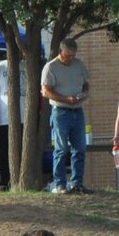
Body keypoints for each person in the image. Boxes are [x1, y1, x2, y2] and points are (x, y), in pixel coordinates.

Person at [41, 38, 91, 194]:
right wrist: (66, 99)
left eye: (73, 55)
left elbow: (86, 83)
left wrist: (84, 93)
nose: (70, 58)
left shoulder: (78, 64)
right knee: (61, 149)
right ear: (60, 52)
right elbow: (45, 91)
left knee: (80, 148)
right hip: (60, 112)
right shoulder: (50, 67)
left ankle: (77, 183)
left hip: (78, 111)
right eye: (67, 55)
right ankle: (60, 184)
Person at [0, 53, 18, 188]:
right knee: (5, 150)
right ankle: (5, 181)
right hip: (5, 118)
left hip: (24, 117)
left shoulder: (25, 66)